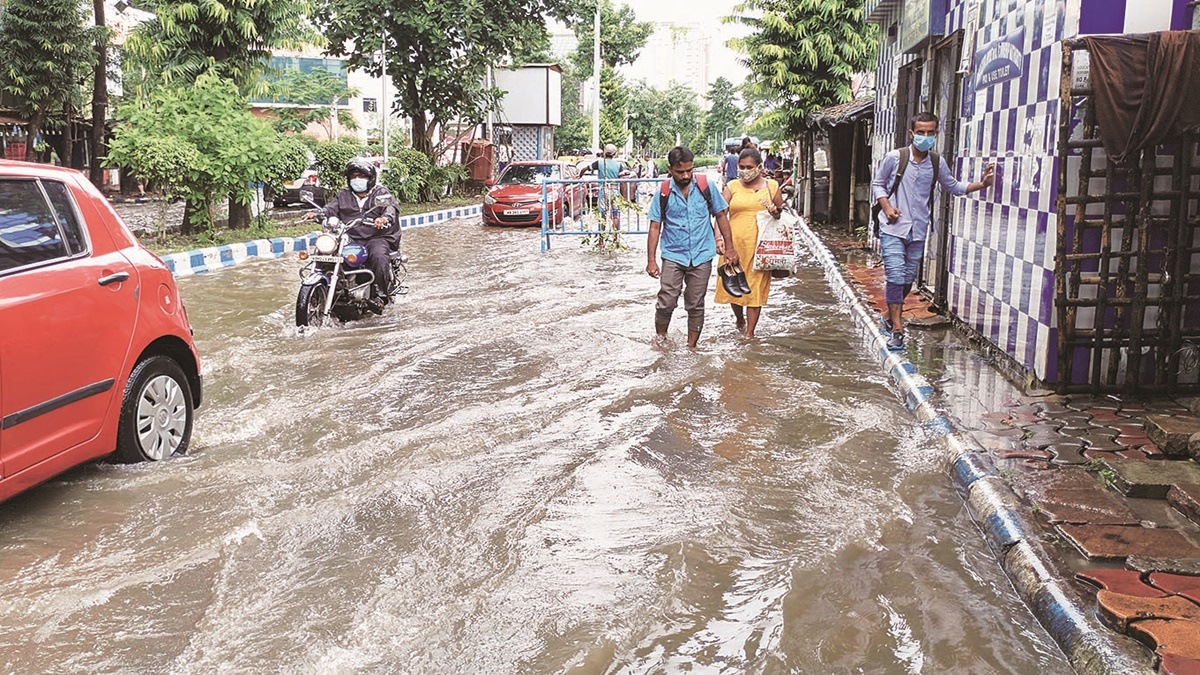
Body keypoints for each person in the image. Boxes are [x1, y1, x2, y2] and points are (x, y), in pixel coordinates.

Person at [872, 112, 995, 350]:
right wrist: (887, 207)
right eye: (921, 132)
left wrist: (982, 184)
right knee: (896, 275)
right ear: (912, 133)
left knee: (907, 279)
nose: (925, 137)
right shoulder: (895, 158)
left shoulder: (936, 162)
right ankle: (898, 328)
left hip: (918, 231)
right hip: (893, 228)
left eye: (930, 133)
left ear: (936, 134)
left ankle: (889, 316)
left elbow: (954, 186)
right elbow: (878, 184)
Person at [646, 145, 737, 349]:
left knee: (695, 303)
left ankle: (691, 346)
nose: (686, 175)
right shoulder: (663, 191)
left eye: (689, 170)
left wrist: (729, 247)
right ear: (670, 169)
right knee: (667, 300)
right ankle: (661, 339)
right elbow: (655, 226)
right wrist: (651, 260)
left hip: (702, 254)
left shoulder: (706, 185)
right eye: (680, 172)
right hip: (673, 254)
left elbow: (721, 215)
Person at [309, 158, 400, 314]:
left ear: (370, 179)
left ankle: (380, 296)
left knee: (378, 256)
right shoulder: (343, 194)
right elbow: (331, 208)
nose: (357, 180)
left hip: (375, 237)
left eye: (361, 176)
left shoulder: (381, 193)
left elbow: (390, 209)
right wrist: (319, 213)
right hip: (349, 237)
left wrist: (384, 219)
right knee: (326, 253)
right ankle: (323, 289)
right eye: (353, 176)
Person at [714, 147, 784, 338]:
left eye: (749, 167)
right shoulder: (732, 187)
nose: (745, 171)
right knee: (733, 284)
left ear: (759, 167)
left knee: (755, 289)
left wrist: (775, 212)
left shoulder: (771, 187)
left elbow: (780, 212)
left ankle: (750, 334)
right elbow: (721, 215)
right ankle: (739, 319)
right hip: (734, 246)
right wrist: (719, 239)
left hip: (760, 247)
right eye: (742, 167)